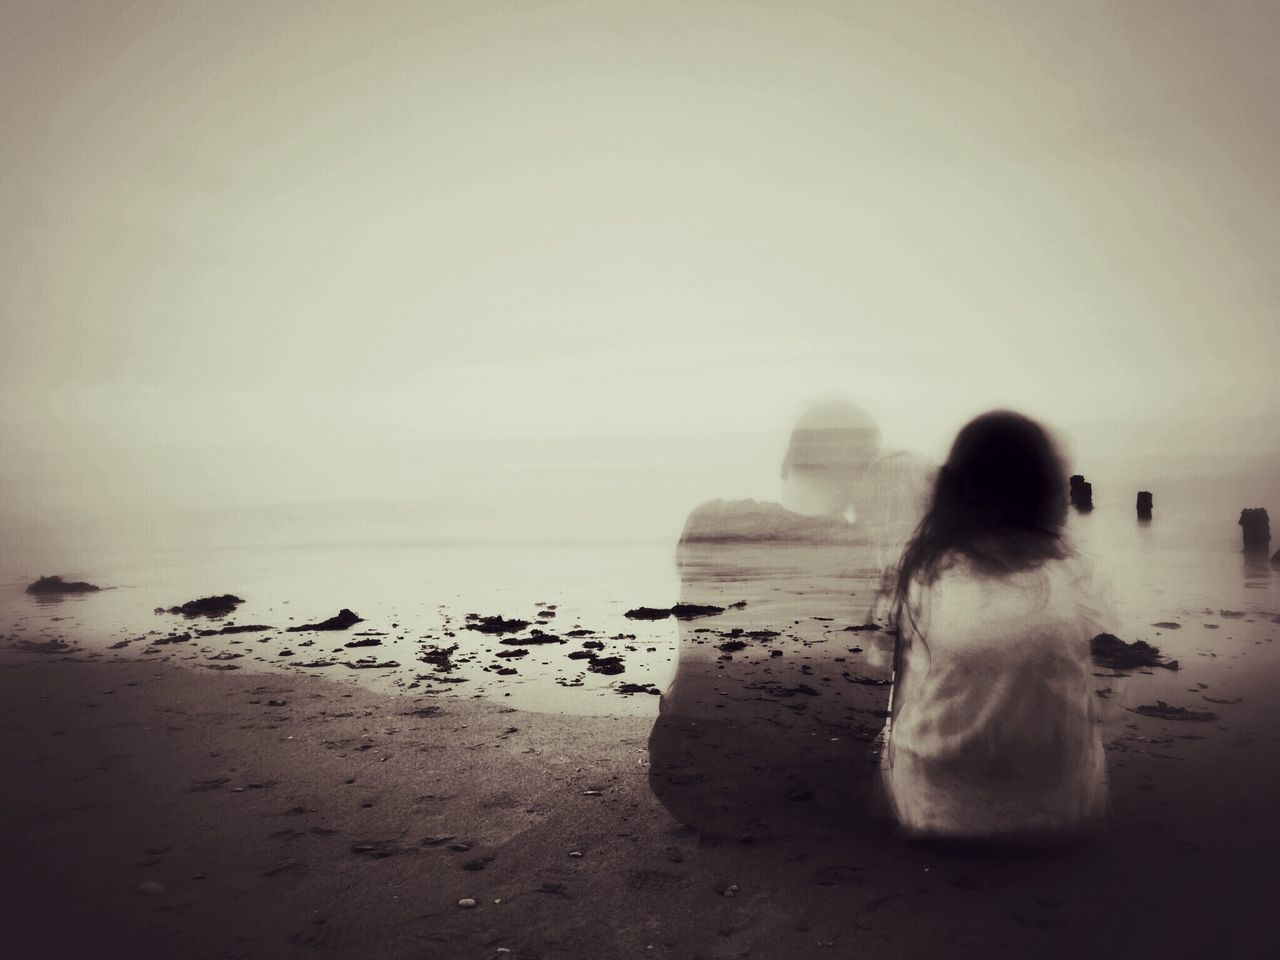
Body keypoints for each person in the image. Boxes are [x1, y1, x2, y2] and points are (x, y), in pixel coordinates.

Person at [881, 411, 1114, 843]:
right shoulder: (1074, 578)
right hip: (1065, 814)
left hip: (932, 814)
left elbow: (898, 687)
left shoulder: (922, 576)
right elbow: (1095, 696)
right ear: (1047, 492)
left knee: (911, 678)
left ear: (953, 493)